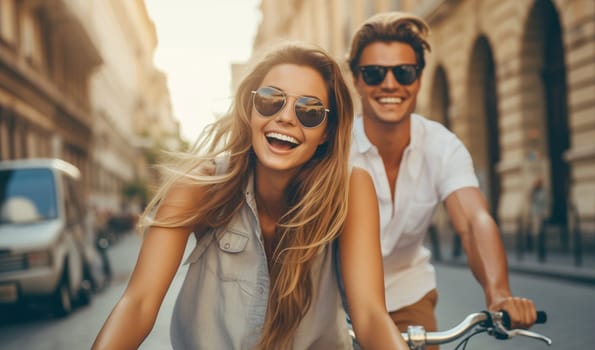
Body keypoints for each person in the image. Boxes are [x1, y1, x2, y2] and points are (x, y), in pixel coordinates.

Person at [92, 42, 407, 350]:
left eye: (309, 111)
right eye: (271, 100)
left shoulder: (351, 187)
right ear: (250, 109)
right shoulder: (200, 186)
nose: (286, 117)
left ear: (326, 132)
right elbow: (139, 303)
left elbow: (370, 317)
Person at [346, 11, 538, 347]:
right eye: (374, 73)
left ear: (419, 79)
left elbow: (473, 221)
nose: (390, 84)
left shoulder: (442, 145)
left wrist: (499, 294)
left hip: (408, 295)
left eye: (404, 72)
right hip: (334, 298)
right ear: (356, 80)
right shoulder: (334, 147)